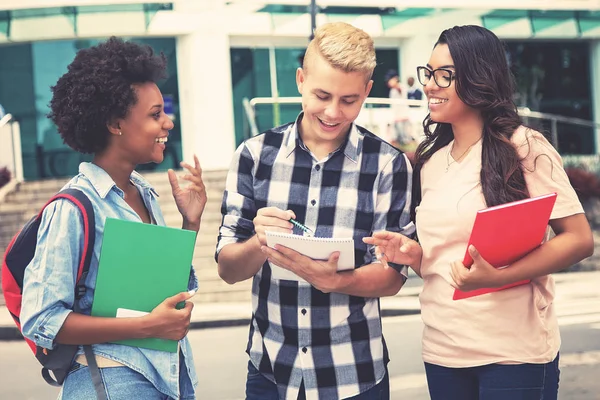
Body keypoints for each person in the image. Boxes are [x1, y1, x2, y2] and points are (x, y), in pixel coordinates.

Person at [363, 25, 594, 400]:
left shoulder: (523, 146)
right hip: (443, 350)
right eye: (429, 73)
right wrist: (415, 255)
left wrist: (499, 276)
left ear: (479, 77)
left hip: (513, 353)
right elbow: (450, 261)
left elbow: (579, 240)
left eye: (445, 75)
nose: (430, 85)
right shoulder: (431, 161)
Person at [216, 22, 413, 400]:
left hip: (355, 373)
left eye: (349, 100)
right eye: (322, 94)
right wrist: (261, 243)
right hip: (271, 370)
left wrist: (337, 281)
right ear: (301, 80)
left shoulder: (388, 165)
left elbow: (393, 275)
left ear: (367, 92)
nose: (332, 111)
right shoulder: (254, 157)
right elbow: (227, 269)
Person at [20, 37, 207, 400]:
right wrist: (146, 325)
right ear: (115, 124)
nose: (168, 122)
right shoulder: (74, 207)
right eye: (155, 114)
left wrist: (191, 223)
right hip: (113, 382)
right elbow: (42, 319)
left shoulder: (143, 194)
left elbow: (160, 291)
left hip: (169, 379)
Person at [384, 69, 411, 145]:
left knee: (405, 140)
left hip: (403, 116)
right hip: (396, 117)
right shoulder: (392, 90)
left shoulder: (401, 87)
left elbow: (400, 89)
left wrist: (395, 84)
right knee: (397, 140)